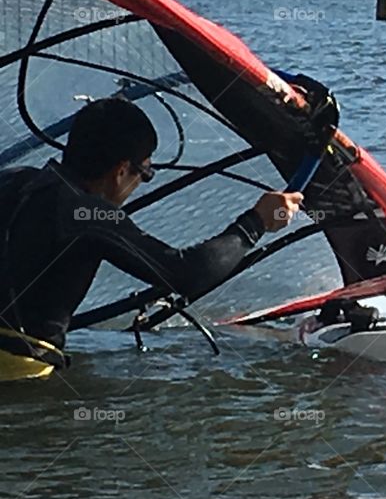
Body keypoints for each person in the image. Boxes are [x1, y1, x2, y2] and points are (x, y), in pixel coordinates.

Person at [0, 97, 304, 380]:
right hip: (20, 372)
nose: (140, 184)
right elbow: (185, 273)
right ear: (121, 170)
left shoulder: (10, 179)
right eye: (144, 173)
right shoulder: (88, 214)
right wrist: (256, 223)